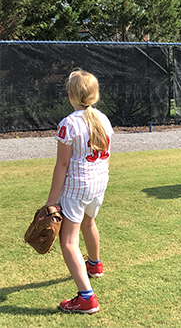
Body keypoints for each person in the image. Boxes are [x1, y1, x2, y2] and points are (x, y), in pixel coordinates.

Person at [45, 68, 114, 314]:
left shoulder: (69, 123)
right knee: (89, 222)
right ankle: (94, 266)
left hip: (77, 186)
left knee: (68, 242)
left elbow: (62, 164)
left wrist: (51, 202)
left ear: (70, 95)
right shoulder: (103, 118)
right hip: (98, 182)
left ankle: (86, 298)